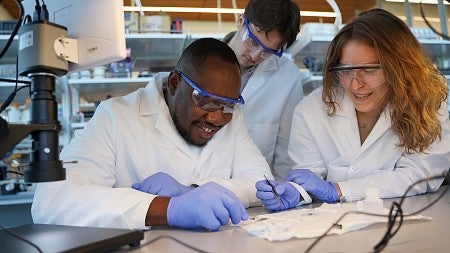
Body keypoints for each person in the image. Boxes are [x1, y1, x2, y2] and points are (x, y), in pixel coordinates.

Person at [31, 38, 272, 230]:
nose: (217, 118)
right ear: (175, 82)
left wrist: (193, 189)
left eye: (227, 106)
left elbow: (261, 182)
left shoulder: (233, 118)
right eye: (206, 101)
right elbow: (51, 201)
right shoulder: (116, 117)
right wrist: (169, 208)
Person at [256, 8, 450, 211]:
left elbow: (420, 173)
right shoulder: (310, 110)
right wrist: (296, 191)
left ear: (400, 68)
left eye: (369, 71)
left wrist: (339, 190)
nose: (355, 85)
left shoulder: (427, 99)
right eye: (346, 70)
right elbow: (309, 178)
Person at [223, 0, 303, 180]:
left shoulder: (288, 77)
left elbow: (285, 151)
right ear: (241, 21)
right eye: (252, 41)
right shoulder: (201, 59)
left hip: (254, 190)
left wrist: (281, 193)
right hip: (198, 184)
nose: (255, 55)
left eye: (268, 51)